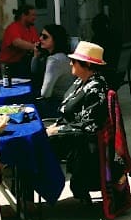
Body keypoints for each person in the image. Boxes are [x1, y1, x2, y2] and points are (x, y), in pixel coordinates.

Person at [45, 41, 110, 204]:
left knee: (33, 147)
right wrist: (56, 126)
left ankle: (31, 198)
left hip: (81, 141)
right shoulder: (81, 81)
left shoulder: (96, 87)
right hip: (71, 134)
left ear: (87, 64)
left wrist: (57, 131)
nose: (70, 63)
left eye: (73, 61)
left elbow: (89, 126)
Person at [32, 24, 74, 117]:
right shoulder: (61, 55)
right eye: (41, 35)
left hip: (58, 104)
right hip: (66, 101)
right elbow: (34, 72)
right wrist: (36, 56)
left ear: (55, 39)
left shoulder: (55, 60)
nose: (40, 39)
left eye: (45, 37)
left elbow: (45, 93)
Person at [0, 4, 39, 78]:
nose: (35, 18)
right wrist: (35, 47)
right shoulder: (13, 27)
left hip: (25, 63)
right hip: (11, 65)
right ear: (24, 15)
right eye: (33, 15)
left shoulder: (31, 28)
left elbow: (37, 42)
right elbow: (17, 42)